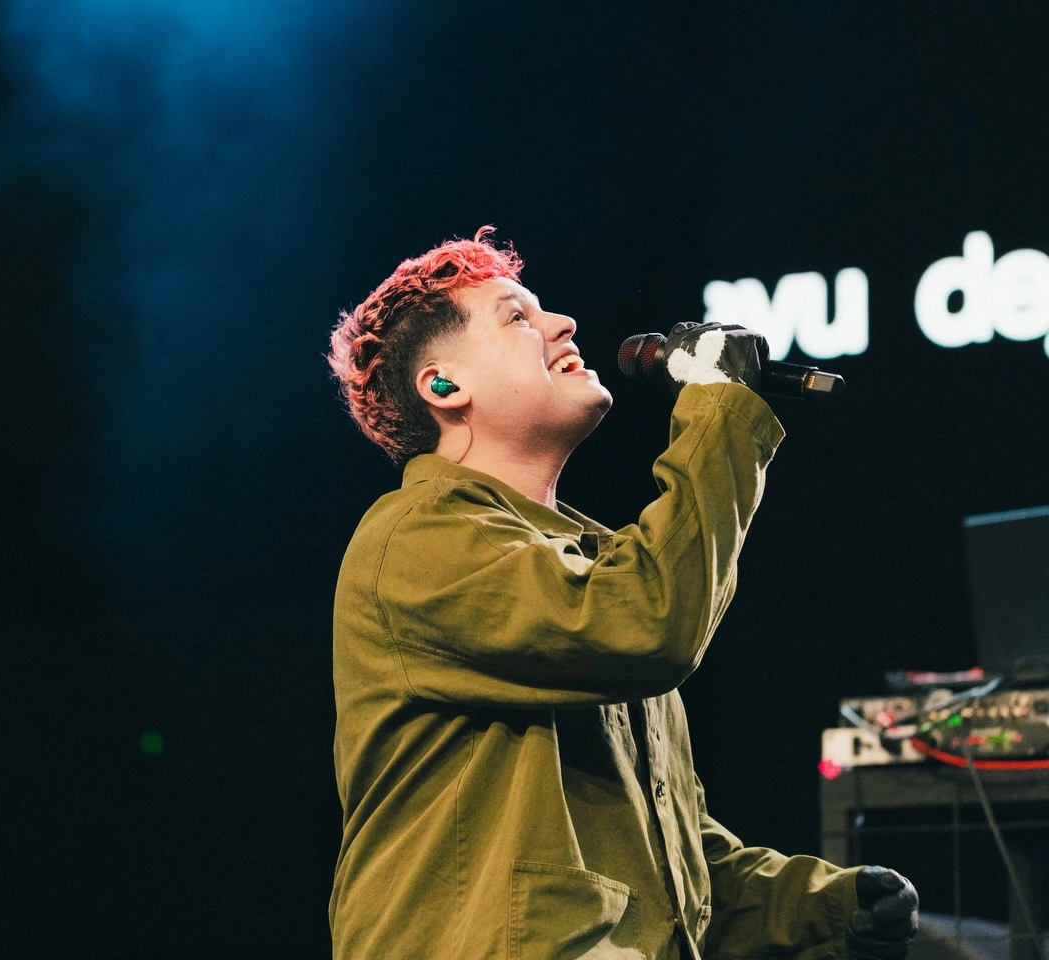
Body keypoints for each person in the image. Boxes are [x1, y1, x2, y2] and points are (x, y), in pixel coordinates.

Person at [325, 228, 918, 960]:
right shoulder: (416, 539)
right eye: (517, 317)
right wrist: (718, 409)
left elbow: (672, 873)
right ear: (443, 385)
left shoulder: (591, 566)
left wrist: (820, 906)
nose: (562, 324)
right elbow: (650, 623)